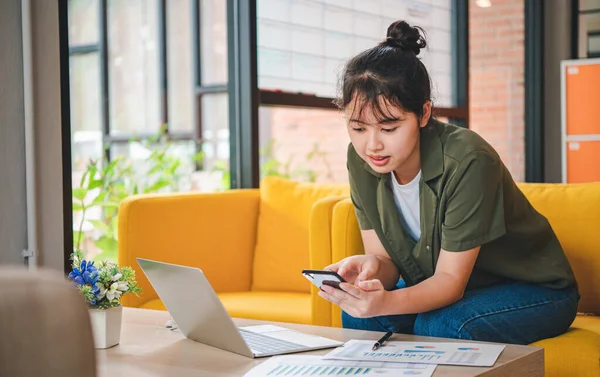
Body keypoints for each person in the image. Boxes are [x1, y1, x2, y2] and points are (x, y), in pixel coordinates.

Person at [318, 20, 579, 345]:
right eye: (358, 128)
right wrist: (372, 267)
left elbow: (450, 282)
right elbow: (388, 265)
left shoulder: (468, 159)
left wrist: (386, 300)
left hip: (533, 290)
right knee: (361, 314)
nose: (372, 145)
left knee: (441, 326)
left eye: (388, 129)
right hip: (460, 288)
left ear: (424, 113)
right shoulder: (361, 161)